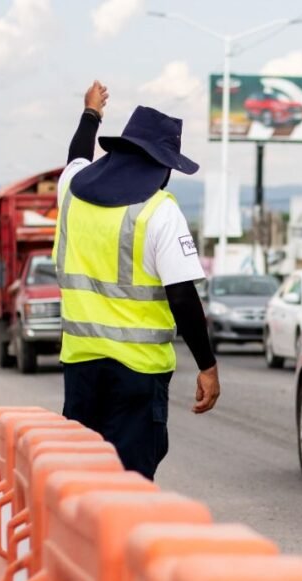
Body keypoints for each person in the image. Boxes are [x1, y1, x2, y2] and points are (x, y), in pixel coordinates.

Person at [54, 80, 220, 480]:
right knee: (129, 484)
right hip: (138, 375)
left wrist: (91, 113)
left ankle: (81, 543)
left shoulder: (71, 192)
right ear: (162, 166)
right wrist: (207, 366)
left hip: (81, 368)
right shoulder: (159, 211)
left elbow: (77, 155)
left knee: (81, 478)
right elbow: (182, 296)